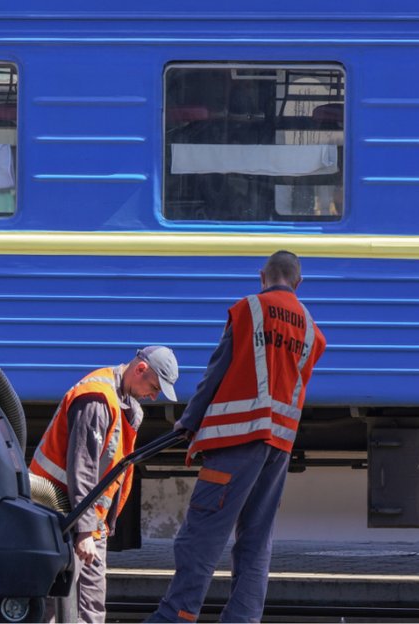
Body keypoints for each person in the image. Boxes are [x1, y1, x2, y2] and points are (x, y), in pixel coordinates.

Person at [146, 250, 326, 624]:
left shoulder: (249, 311)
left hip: (237, 439)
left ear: (263, 276)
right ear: (299, 282)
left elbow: (219, 369)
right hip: (278, 448)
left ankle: (174, 617)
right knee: (257, 541)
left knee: (202, 535)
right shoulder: (311, 330)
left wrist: (189, 421)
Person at [30, 345, 180, 624]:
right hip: (62, 513)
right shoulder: (97, 401)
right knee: (73, 604)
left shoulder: (124, 403)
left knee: (73, 603)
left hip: (80, 516)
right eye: (154, 387)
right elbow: (83, 469)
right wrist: (85, 531)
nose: (154, 396)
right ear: (140, 369)